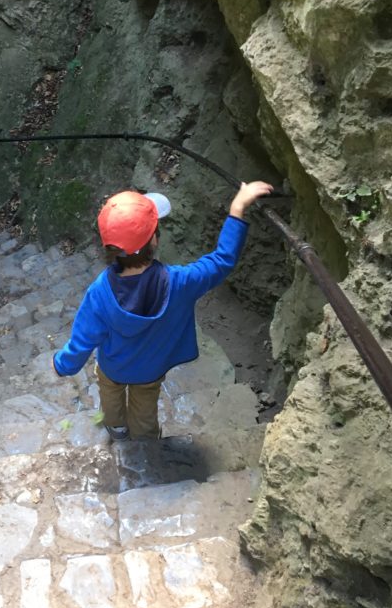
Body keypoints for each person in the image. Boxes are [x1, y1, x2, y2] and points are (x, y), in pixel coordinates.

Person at [52, 183, 274, 440]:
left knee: (110, 394)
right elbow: (222, 260)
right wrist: (238, 207)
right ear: (155, 239)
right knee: (145, 408)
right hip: (150, 370)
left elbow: (82, 342)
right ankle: (147, 446)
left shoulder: (99, 293)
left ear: (109, 248)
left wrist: (62, 365)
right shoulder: (181, 282)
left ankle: (116, 428)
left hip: (113, 367)